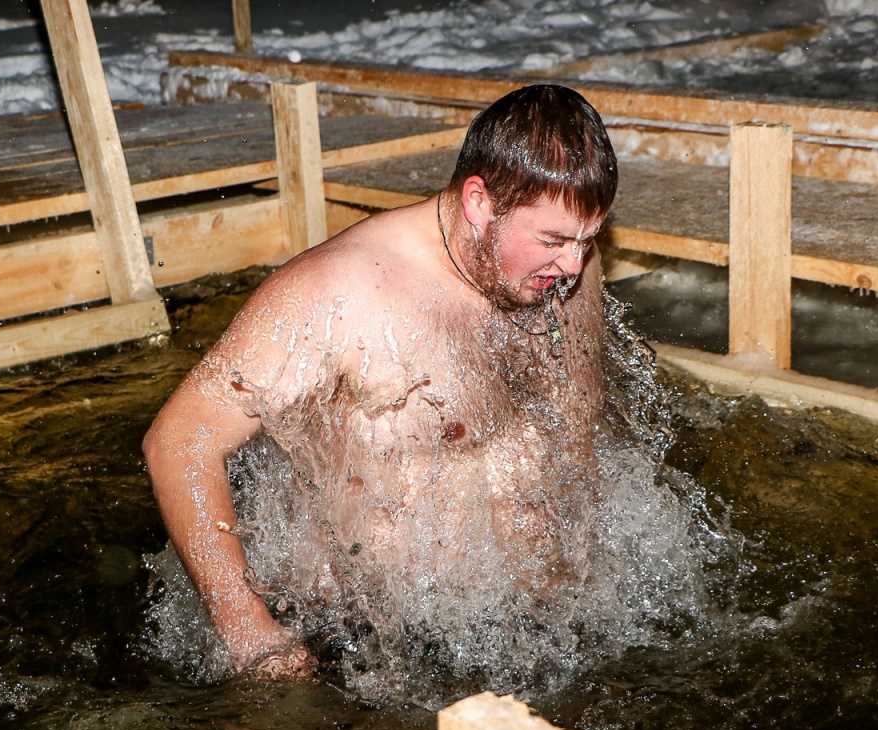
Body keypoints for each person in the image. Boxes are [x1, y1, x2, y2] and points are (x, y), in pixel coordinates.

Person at [143, 84, 619, 676]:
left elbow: (575, 419)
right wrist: (251, 634)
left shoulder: (566, 273)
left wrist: (579, 563)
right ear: (478, 202)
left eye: (587, 239)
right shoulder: (339, 294)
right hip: (363, 642)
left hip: (524, 625)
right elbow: (179, 441)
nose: (574, 264)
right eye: (552, 240)